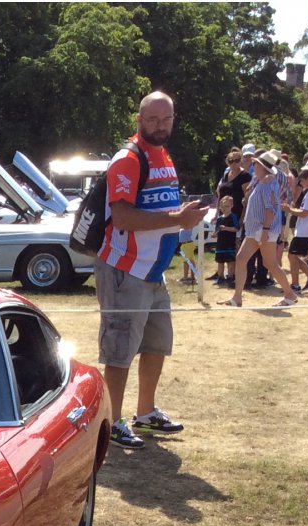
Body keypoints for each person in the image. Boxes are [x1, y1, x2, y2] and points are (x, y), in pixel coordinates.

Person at [95, 91, 210, 449]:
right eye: (153, 120)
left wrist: (184, 213)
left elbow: (162, 206)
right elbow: (124, 217)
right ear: (139, 120)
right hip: (124, 268)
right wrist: (177, 218)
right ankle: (111, 422)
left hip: (153, 271)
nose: (160, 126)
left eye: (166, 119)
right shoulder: (128, 159)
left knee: (157, 344)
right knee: (119, 349)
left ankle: (144, 414)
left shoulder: (163, 155)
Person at [223, 151, 298, 309]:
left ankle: (289, 294)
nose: (253, 165)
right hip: (256, 229)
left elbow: (270, 209)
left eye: (256, 164)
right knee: (249, 260)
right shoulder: (262, 180)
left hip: (263, 229)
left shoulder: (270, 183)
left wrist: (265, 230)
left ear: (262, 167)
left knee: (267, 263)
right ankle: (237, 297)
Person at [282, 167, 308, 291]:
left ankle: (296, 284)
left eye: (303, 180)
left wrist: (289, 210)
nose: (301, 183)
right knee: (293, 256)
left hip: (306, 231)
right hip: (305, 230)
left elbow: (305, 213)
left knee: (292, 256)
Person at [213, 195, 239, 284]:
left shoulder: (233, 216)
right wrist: (214, 234)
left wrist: (226, 228)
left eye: (227, 206)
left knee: (230, 262)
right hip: (220, 244)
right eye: (222, 207)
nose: (224, 209)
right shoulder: (219, 218)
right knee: (220, 261)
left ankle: (231, 276)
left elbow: (236, 228)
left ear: (231, 206)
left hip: (230, 243)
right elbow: (217, 230)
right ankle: (220, 277)